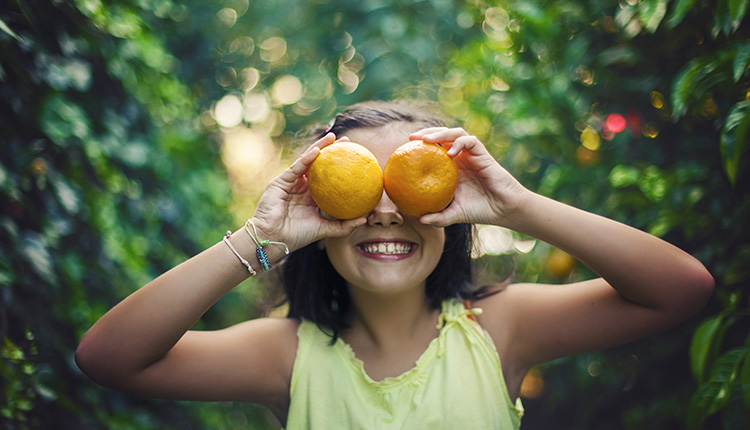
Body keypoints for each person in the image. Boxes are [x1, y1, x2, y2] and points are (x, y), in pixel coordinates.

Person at [75, 100, 714, 429]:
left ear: (451, 214)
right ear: (318, 217)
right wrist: (260, 236)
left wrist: (515, 206)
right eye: (360, 191)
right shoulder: (287, 356)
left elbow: (682, 289)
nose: (384, 214)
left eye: (407, 191)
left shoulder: (502, 328)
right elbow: (108, 358)